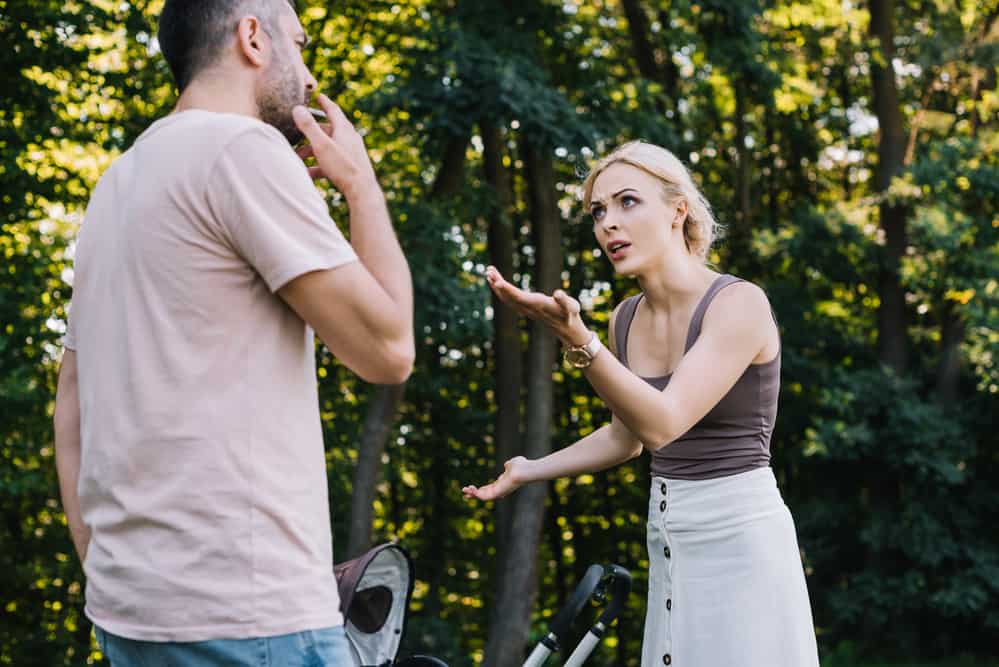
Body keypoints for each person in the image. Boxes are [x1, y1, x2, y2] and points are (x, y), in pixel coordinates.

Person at [53, 0, 414, 663]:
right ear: (253, 36)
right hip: (251, 620)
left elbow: (70, 409)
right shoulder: (241, 148)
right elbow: (388, 351)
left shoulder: (116, 184)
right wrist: (361, 188)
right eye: (299, 46)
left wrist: (110, 574)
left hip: (128, 613)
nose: (307, 77)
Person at [462, 141, 819, 666]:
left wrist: (579, 341)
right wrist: (530, 470)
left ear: (678, 211)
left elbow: (664, 424)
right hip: (670, 537)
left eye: (628, 202)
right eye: (598, 211)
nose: (609, 223)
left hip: (742, 543)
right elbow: (625, 437)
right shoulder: (624, 319)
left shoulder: (739, 304)